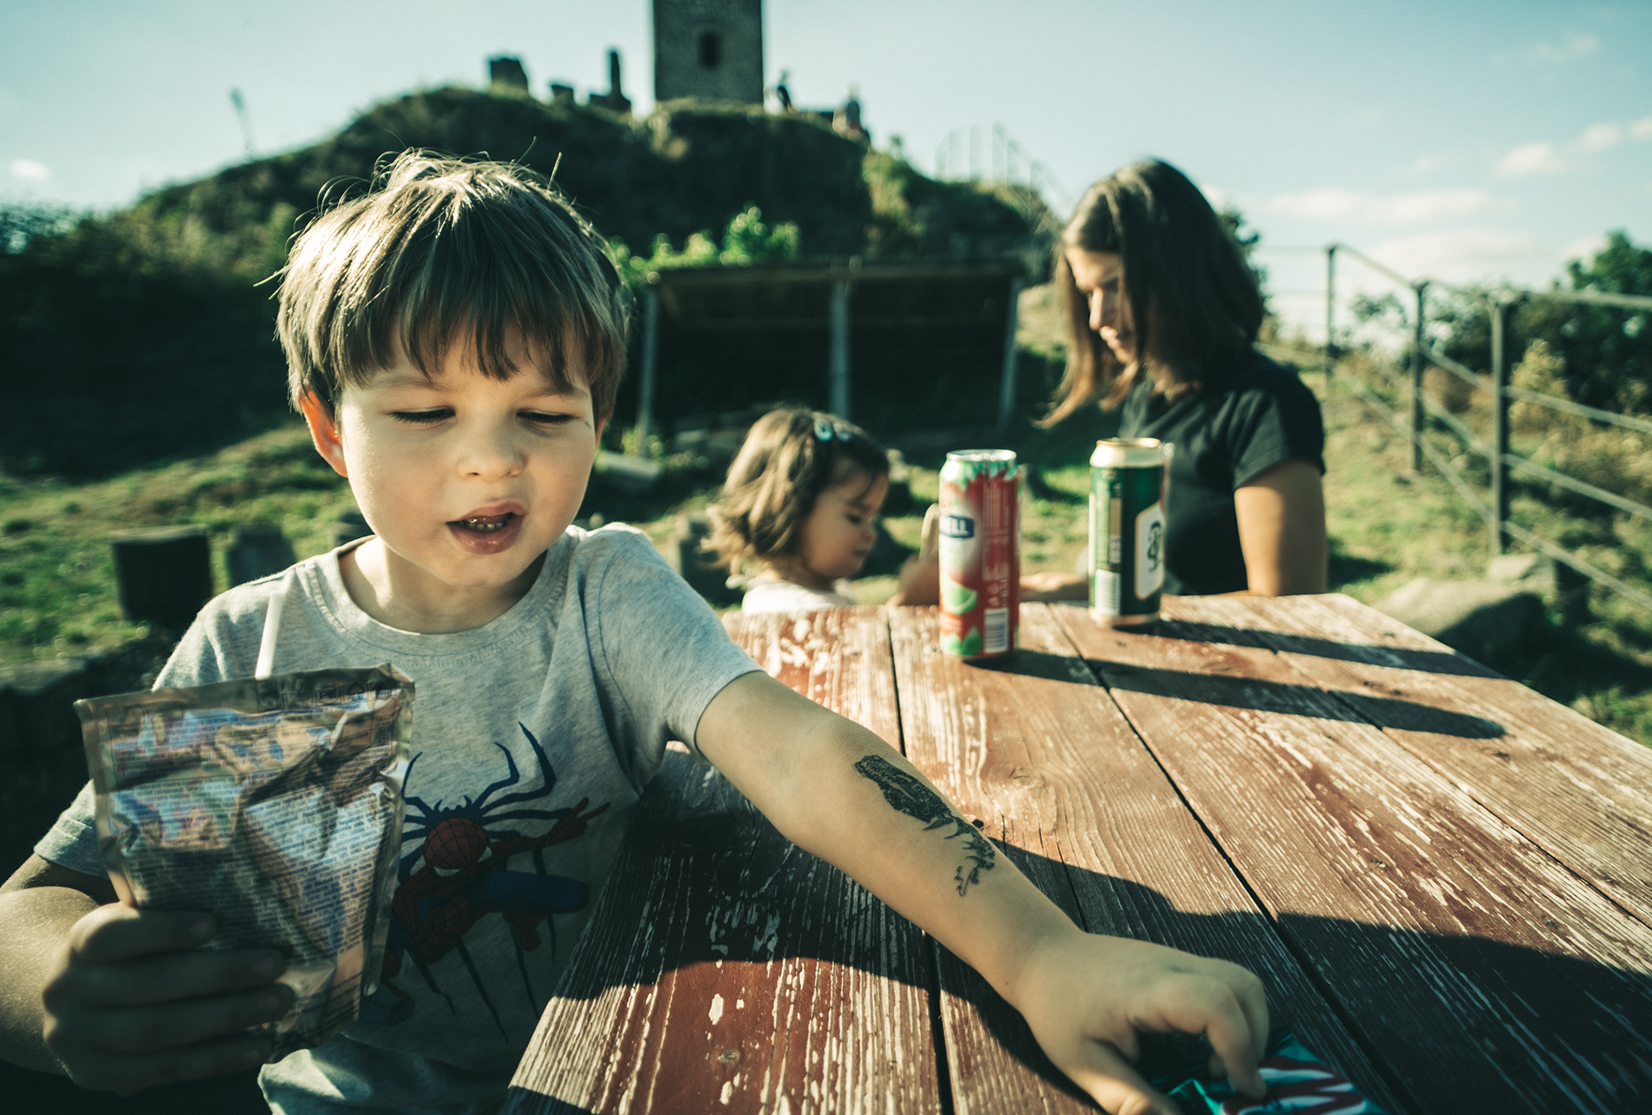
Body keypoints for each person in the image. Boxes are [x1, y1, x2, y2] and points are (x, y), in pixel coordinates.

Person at [0, 153, 1268, 1115]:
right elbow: (37, 899)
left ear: (599, 417)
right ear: (331, 426)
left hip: (623, 1077)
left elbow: (804, 757)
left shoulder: (605, 589)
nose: (492, 459)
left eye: (545, 413)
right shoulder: (250, 642)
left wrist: (1045, 955)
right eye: (427, 412)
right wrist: (57, 983)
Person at [1032, 158, 1327, 599]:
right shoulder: (1146, 398)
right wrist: (1072, 590)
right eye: (1088, 292)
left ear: (1177, 272)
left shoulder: (1267, 405)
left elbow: (1287, 604)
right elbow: (1158, 582)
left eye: (1115, 286)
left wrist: (1139, 609)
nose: (1097, 317)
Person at [708, 408, 920, 613]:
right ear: (790, 511)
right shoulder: (786, 608)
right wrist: (908, 602)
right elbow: (851, 639)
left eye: (871, 518)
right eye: (855, 517)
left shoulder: (825, 589)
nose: (871, 533)